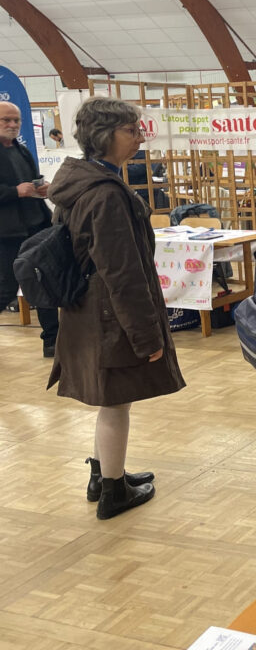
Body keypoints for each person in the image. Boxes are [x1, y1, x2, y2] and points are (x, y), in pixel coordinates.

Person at [47, 97, 186, 519]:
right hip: (108, 314)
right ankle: (113, 491)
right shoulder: (104, 193)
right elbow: (122, 273)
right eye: (131, 130)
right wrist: (146, 336)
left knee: (112, 399)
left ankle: (105, 474)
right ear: (105, 135)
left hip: (87, 310)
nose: (140, 136)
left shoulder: (82, 181)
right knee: (116, 402)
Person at [0, 101, 59, 357]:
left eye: (16, 121)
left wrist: (41, 187)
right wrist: (14, 192)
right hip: (6, 233)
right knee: (6, 288)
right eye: (6, 120)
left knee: (43, 282)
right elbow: (15, 189)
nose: (12, 125)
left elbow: (30, 181)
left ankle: (53, 341)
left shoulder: (22, 151)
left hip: (35, 226)